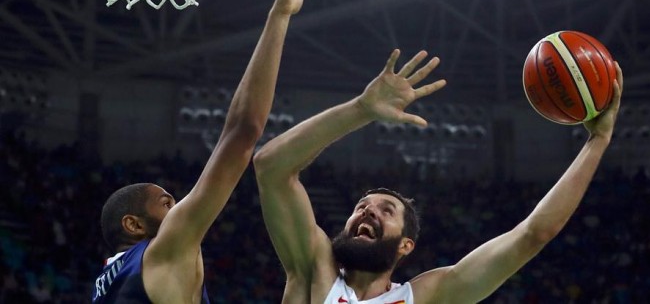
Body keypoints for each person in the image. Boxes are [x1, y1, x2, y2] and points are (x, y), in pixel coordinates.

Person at [253, 49, 623, 303]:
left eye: (386, 211)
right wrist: (360, 110)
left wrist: (598, 140)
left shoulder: (428, 296)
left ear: (405, 246)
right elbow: (271, 167)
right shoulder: (314, 269)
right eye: (362, 206)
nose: (367, 211)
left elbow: (533, 234)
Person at [91, 0, 311, 302]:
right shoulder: (161, 253)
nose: (182, 209)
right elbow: (243, 131)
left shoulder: (106, 283)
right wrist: (280, 15)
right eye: (167, 204)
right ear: (134, 225)